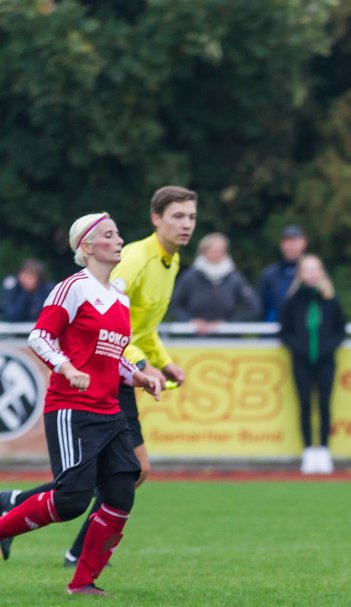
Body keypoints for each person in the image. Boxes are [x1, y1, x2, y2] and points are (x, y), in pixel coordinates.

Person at [0, 186, 197, 568]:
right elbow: (63, 333)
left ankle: (63, 550)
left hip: (116, 386)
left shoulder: (147, 278)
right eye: (178, 216)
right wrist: (78, 367)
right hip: (89, 391)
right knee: (92, 486)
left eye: (191, 216)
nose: (186, 224)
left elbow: (133, 335)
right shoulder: (111, 271)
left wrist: (152, 367)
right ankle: (48, 538)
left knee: (118, 480)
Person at [279, 253, 346, 474]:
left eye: (315, 269)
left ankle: (324, 451)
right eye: (306, 269)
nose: (311, 274)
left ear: (321, 272)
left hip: (326, 361)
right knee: (305, 405)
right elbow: (285, 332)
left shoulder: (330, 301)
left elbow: (340, 330)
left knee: (325, 406)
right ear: (300, 274)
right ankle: (308, 451)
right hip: (301, 361)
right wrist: (301, 348)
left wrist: (327, 348)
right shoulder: (292, 301)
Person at [169, 232, 260, 332]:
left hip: (228, 339)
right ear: (203, 252)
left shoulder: (235, 278)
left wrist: (229, 324)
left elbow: (253, 307)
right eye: (213, 251)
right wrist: (190, 321)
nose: (217, 254)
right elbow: (174, 304)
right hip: (194, 338)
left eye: (220, 251)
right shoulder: (189, 277)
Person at [258, 224, 307, 322]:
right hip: (274, 333)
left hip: (306, 334)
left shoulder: (314, 273)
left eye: (294, 241)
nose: (291, 246)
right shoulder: (269, 274)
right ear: (282, 244)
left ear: (304, 243)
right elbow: (260, 308)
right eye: (287, 241)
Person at [3, 259, 54, 323]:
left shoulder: (49, 291)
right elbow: (10, 316)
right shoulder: (16, 290)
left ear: (38, 278)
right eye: (23, 274)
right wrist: (24, 295)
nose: (24, 279)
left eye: (29, 276)